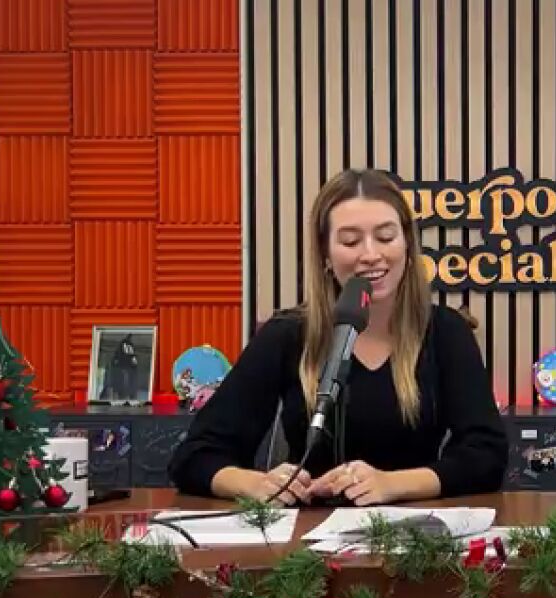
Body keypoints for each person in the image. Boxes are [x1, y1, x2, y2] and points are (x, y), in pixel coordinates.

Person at [168, 168, 509, 505]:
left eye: (386, 237)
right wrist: (257, 483)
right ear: (326, 255)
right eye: (350, 241)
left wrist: (392, 484)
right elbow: (195, 456)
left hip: (415, 530)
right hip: (308, 531)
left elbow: (486, 456)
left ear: (407, 245)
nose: (371, 254)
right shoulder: (286, 334)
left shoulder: (446, 331)